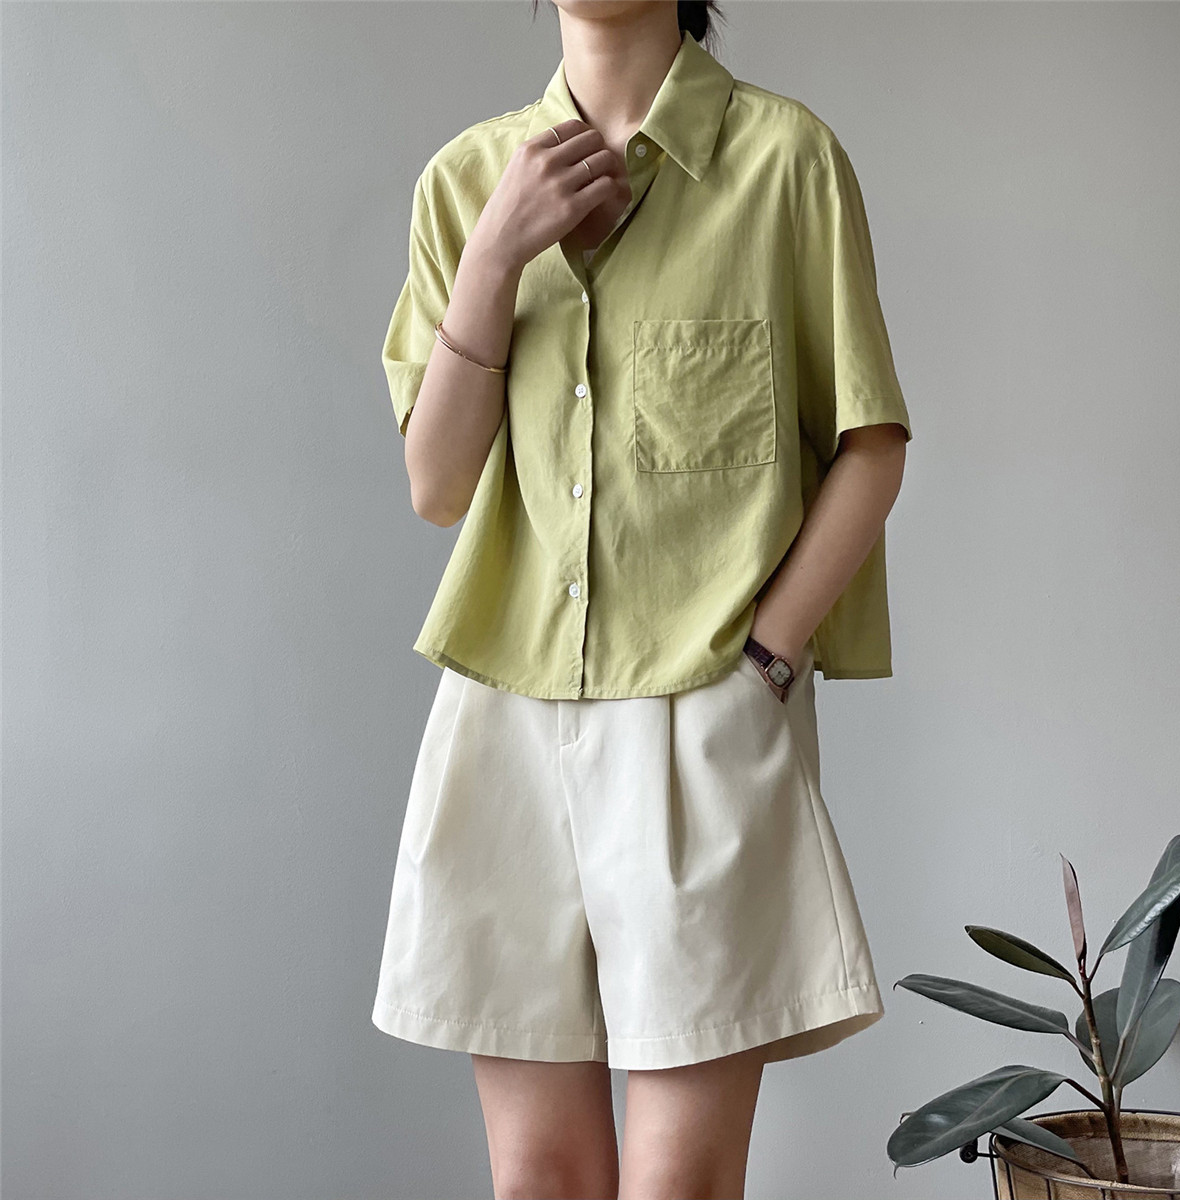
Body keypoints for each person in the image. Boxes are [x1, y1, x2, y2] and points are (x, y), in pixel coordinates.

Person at [371, 2, 913, 1197]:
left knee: (681, 1184)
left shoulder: (784, 161)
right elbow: (437, 484)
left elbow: (870, 444)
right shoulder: (466, 182)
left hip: (701, 711)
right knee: (539, 1180)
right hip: (503, 719)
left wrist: (766, 662)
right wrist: (495, 256)